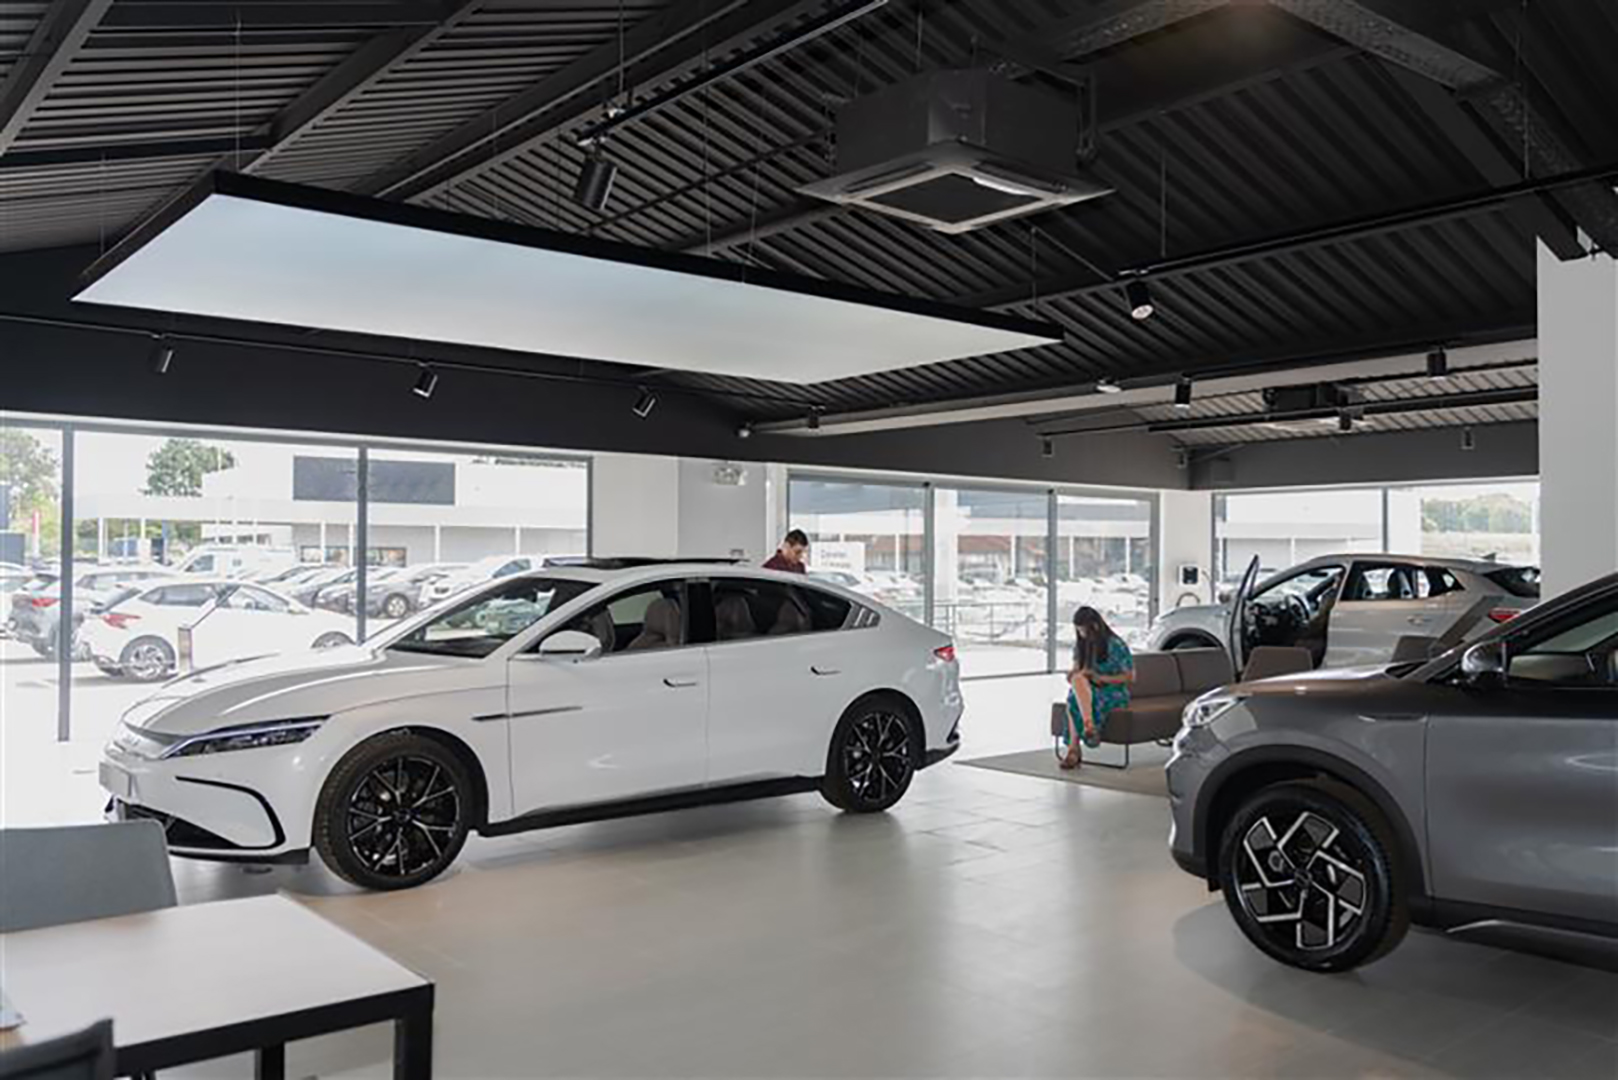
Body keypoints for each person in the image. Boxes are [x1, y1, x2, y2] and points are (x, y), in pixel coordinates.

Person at [1060, 606, 1135, 770]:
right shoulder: (1081, 645)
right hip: (1088, 689)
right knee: (1077, 682)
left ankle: (1074, 750)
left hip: (1113, 691)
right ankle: (1089, 726)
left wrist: (1100, 678)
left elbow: (1129, 677)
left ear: (1094, 626)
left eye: (1083, 630)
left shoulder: (1115, 644)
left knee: (1073, 700)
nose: (1081, 635)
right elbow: (1076, 669)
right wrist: (1073, 674)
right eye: (1078, 631)